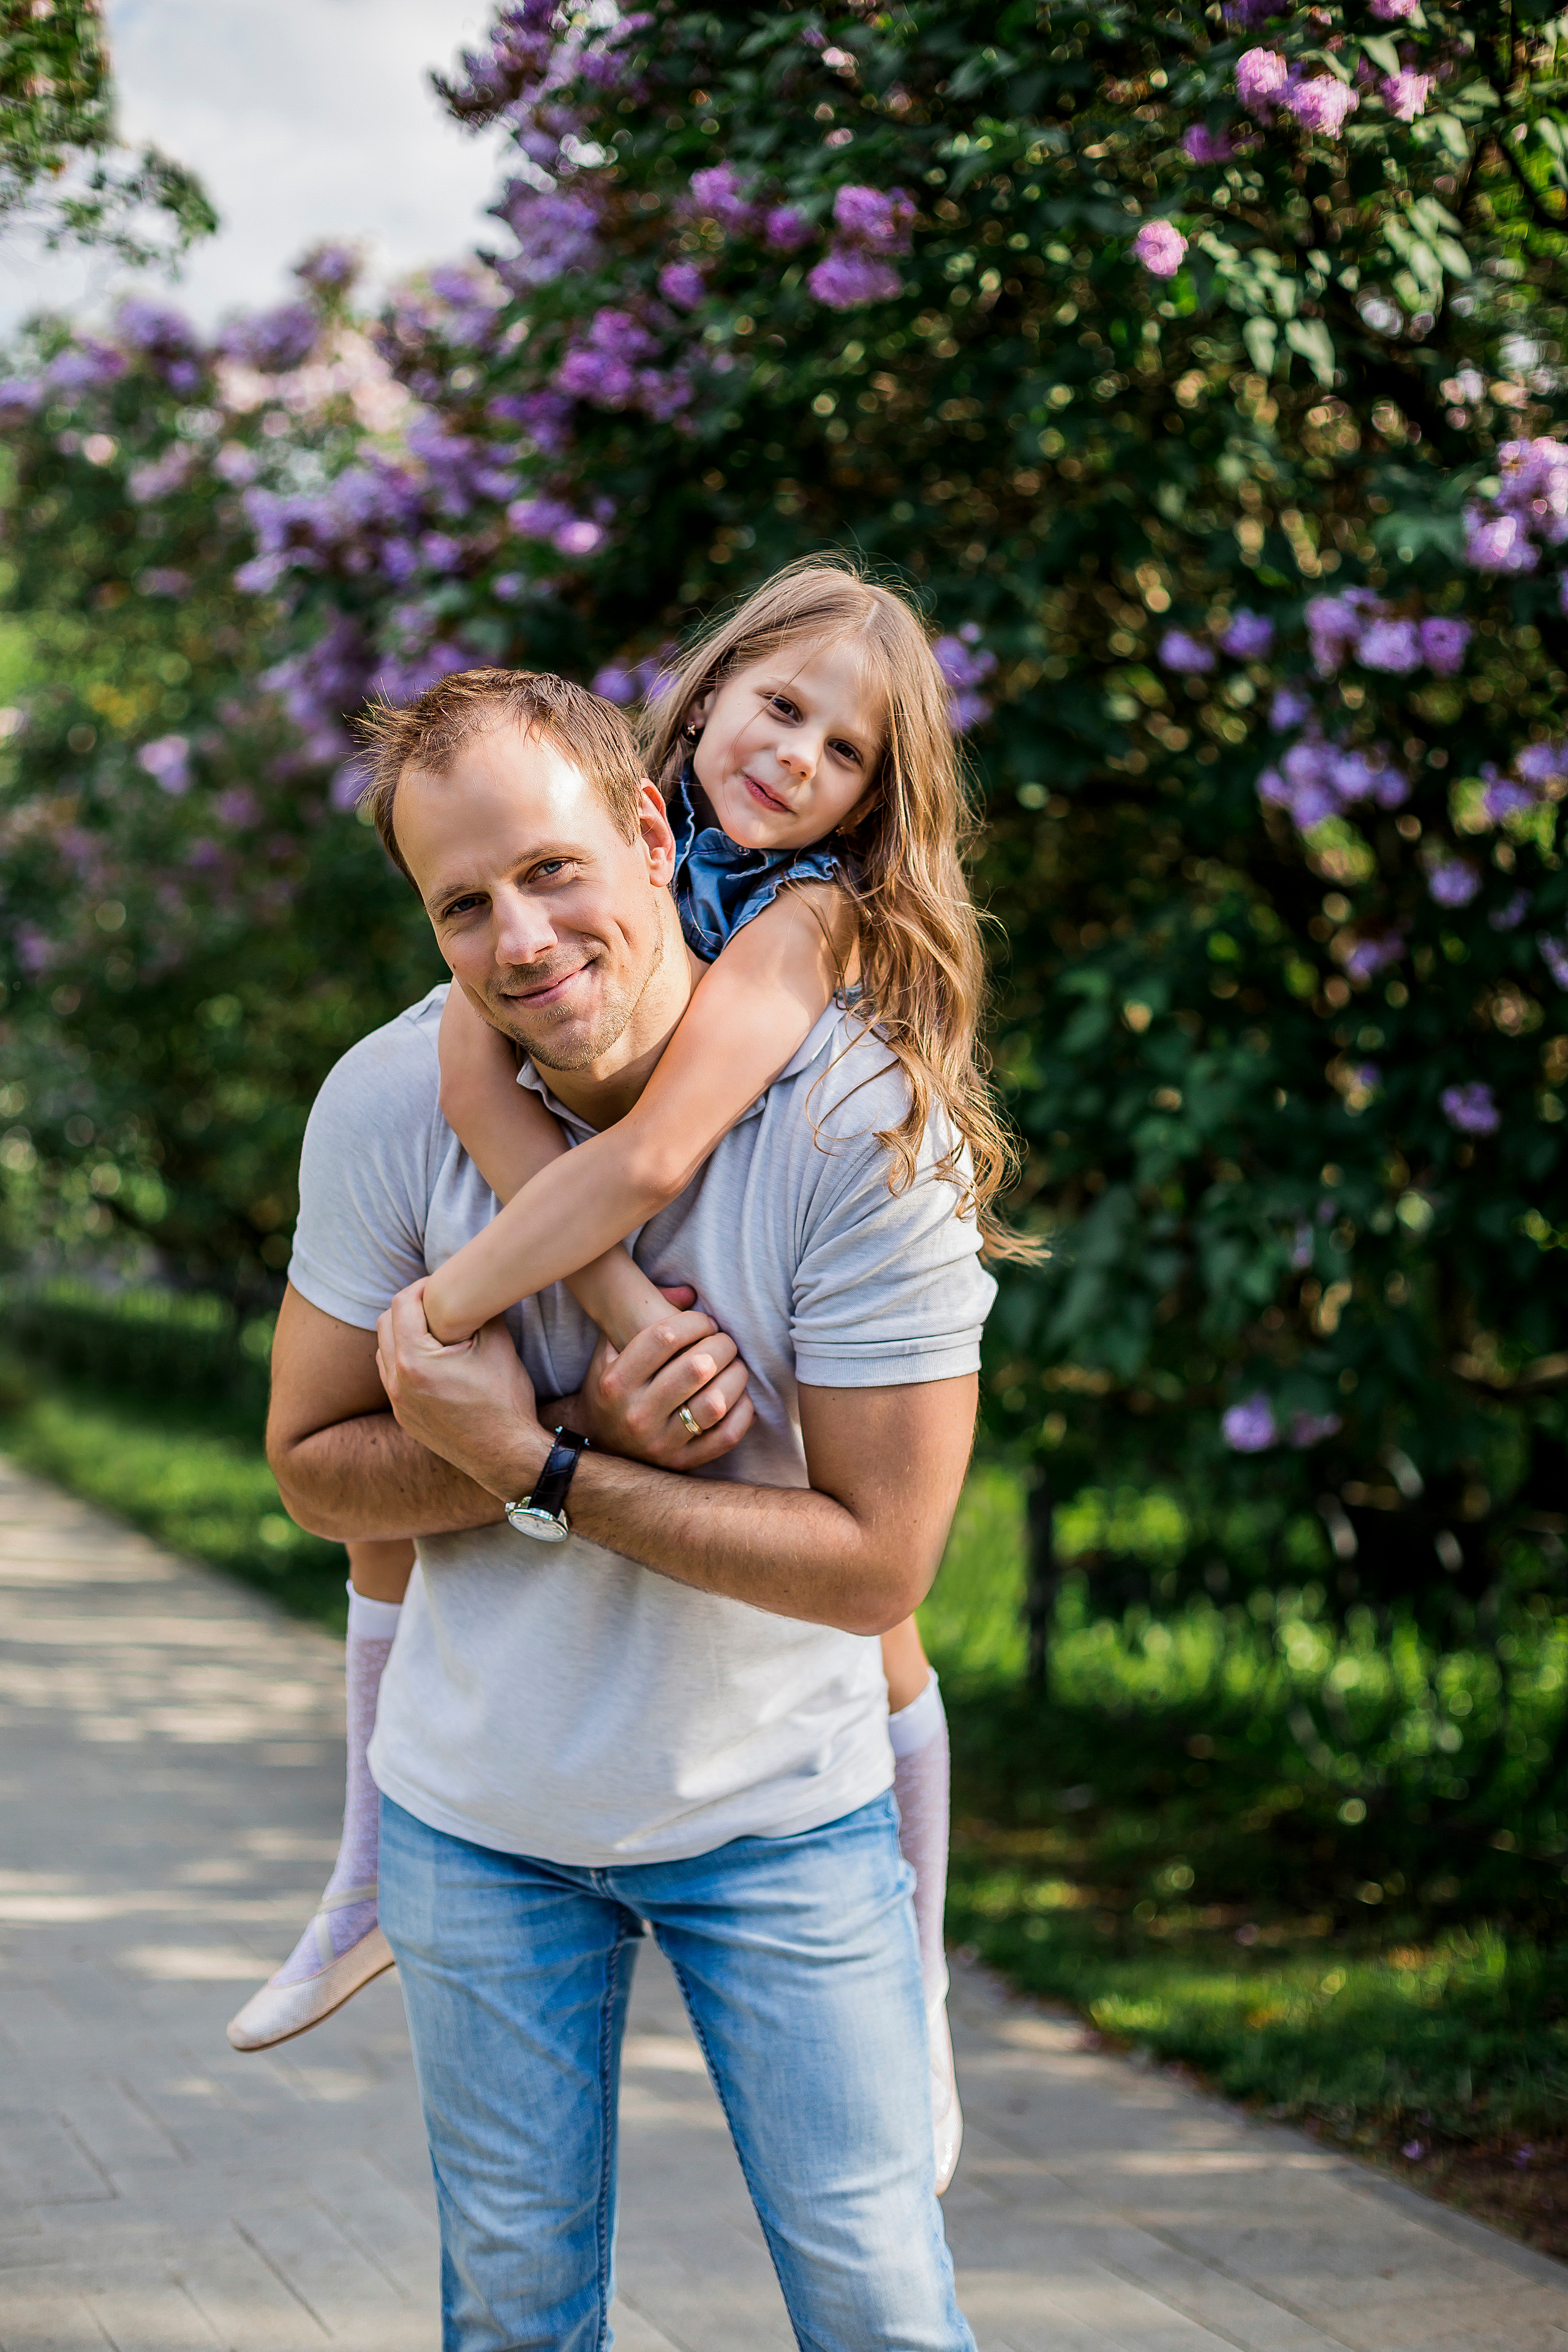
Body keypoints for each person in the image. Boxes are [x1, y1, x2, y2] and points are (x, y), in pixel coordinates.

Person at [229, 566, 1023, 2199]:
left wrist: (448, 1319)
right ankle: (369, 1864)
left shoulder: (806, 915)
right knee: (388, 1505)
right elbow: (474, 1080)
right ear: (708, 696)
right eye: (779, 707)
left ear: (877, 801)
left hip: (772, 1349)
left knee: (879, 1627)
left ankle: (917, 1981)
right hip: (607, 1315)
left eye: (848, 751)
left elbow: (660, 1144)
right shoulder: (568, 846)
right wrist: (599, 1326)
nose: (799, 757)